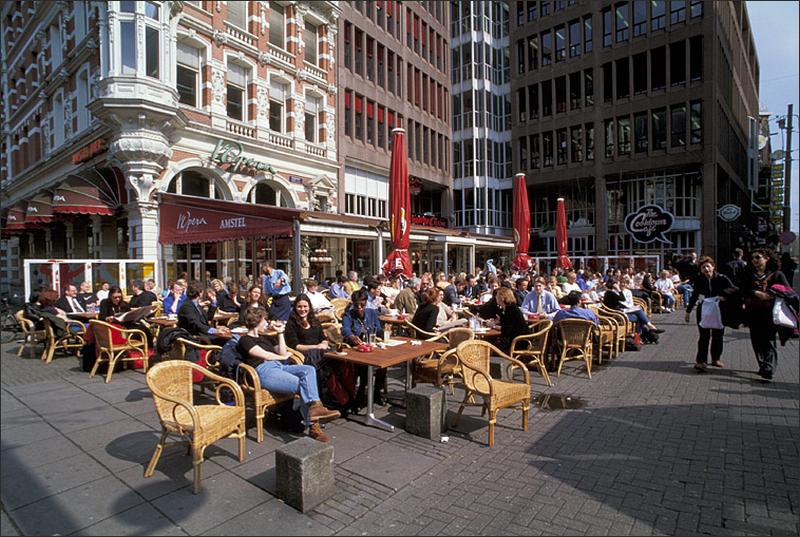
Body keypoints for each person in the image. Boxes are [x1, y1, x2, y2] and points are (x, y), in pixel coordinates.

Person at [238, 307, 339, 443]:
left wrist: (280, 333)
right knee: (304, 385)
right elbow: (265, 355)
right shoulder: (245, 340)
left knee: (308, 369)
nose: (267, 323)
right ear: (257, 321)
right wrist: (283, 356)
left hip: (280, 367)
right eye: (264, 320)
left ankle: (315, 408)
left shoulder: (265, 338)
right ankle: (314, 426)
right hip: (265, 371)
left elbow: (281, 351)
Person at [742, 249, 789, 380]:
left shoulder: (777, 275)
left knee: (769, 339)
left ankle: (768, 367)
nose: (755, 260)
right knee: (756, 340)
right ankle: (762, 365)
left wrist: (770, 294)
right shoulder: (749, 274)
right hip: (753, 311)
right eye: (753, 258)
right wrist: (755, 293)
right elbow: (742, 289)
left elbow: (786, 290)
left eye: (758, 257)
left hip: (770, 312)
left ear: (766, 258)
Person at [684, 257, 733, 372]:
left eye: (708, 266)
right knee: (704, 335)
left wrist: (724, 295)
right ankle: (701, 361)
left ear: (713, 266)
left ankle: (716, 358)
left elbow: (733, 288)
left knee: (718, 334)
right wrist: (688, 311)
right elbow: (695, 295)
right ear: (700, 270)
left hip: (719, 309)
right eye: (703, 267)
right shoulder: (699, 279)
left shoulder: (722, 278)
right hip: (704, 308)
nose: (706, 269)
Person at [341, 289, 386, 407]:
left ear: (366, 303)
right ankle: (360, 394)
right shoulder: (348, 315)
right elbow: (345, 329)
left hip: (371, 347)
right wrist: (352, 337)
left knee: (383, 366)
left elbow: (379, 329)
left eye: (362, 304)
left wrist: (385, 332)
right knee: (365, 368)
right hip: (357, 349)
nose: (359, 307)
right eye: (356, 305)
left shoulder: (371, 313)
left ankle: (376, 393)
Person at [284, 294, 329, 370]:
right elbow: (295, 346)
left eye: (305, 306)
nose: (302, 309)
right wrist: (316, 347)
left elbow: (323, 338)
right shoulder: (291, 323)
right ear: (295, 307)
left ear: (309, 307)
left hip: (321, 351)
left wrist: (324, 344)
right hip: (305, 355)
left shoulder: (314, 320)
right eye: (299, 306)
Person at [489, 287, 529, 353]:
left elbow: (506, 329)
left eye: (497, 295)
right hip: (512, 337)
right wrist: (497, 321)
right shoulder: (506, 308)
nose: (496, 297)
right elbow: (505, 322)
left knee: (492, 344)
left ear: (502, 298)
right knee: (491, 340)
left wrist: (493, 326)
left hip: (518, 340)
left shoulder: (512, 310)